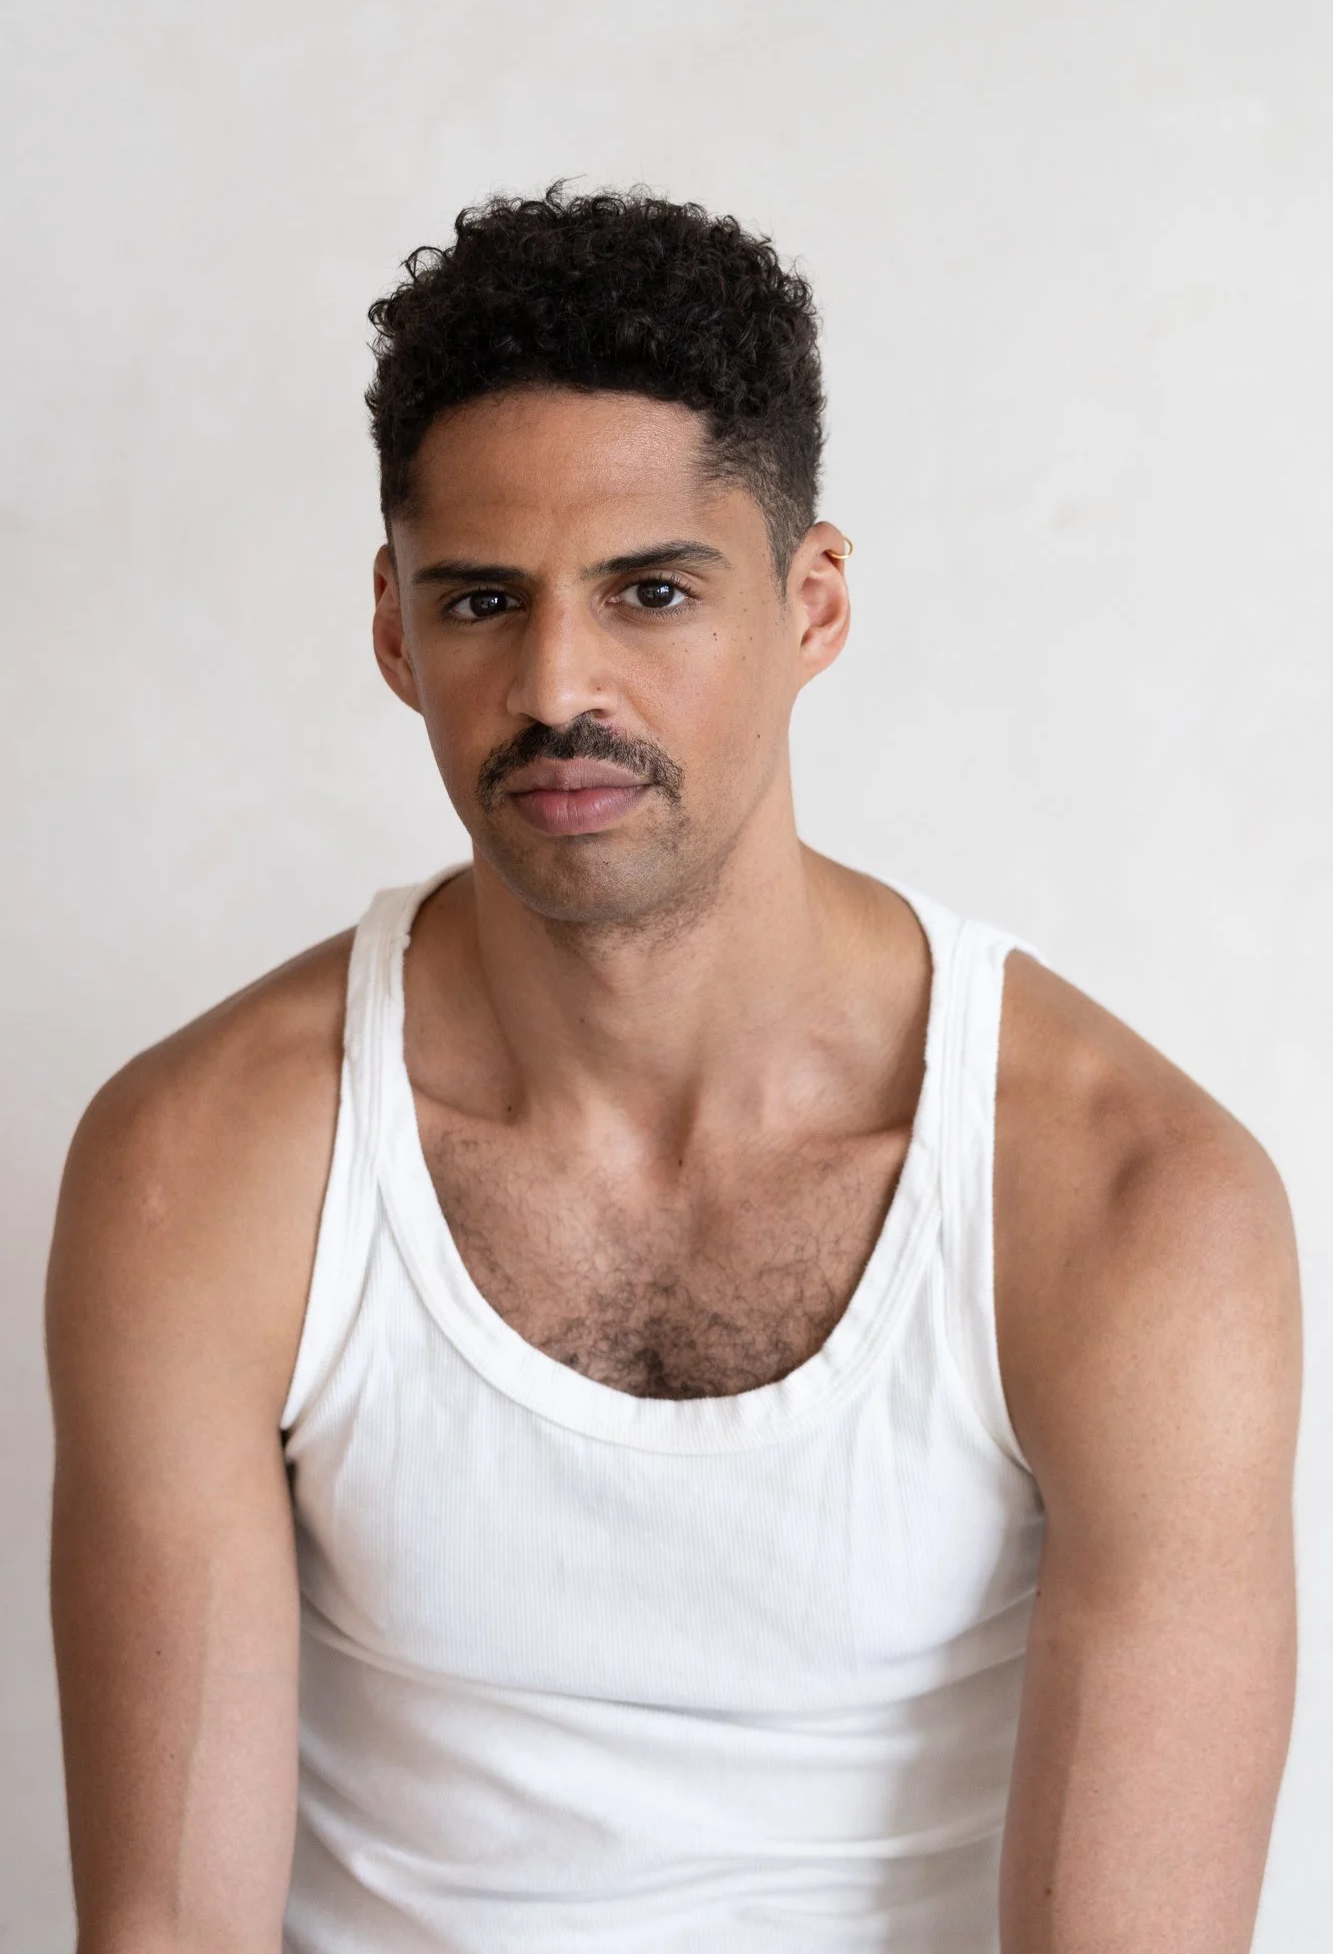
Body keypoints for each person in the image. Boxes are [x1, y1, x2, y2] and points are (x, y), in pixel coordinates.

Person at [46, 185, 1301, 1954]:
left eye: (652, 592)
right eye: (484, 600)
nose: (562, 685)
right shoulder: (208, 1163)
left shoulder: (1126, 1200)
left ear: (812, 603)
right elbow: (168, 1928)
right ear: (398, 631)